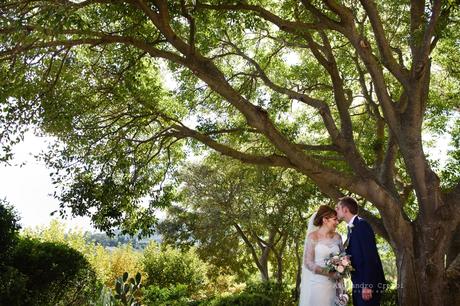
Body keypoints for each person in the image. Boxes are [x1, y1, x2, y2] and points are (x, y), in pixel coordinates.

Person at [335, 196, 386, 306]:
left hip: (367, 285)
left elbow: (370, 257)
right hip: (358, 283)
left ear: (345, 210)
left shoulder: (362, 225)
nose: (336, 211)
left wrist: (367, 285)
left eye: (337, 208)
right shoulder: (351, 229)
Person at [299, 205, 344, 306]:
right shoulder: (313, 237)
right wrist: (329, 273)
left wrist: (343, 267)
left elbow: (344, 257)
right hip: (319, 285)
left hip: (336, 285)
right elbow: (308, 262)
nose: (337, 222)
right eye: (335, 219)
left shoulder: (338, 237)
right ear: (325, 220)